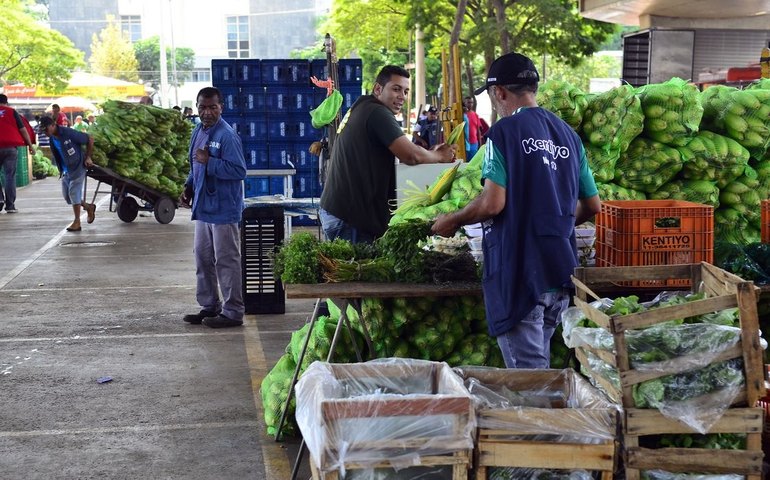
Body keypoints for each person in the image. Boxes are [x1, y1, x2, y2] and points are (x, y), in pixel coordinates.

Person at [432, 52, 602, 369]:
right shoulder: (570, 136)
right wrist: (557, 224)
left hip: (520, 273)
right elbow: (593, 205)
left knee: (530, 382)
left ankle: (545, 419)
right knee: (541, 369)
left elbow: (492, 202)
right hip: (559, 270)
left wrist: (451, 220)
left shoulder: (504, 133)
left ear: (499, 92)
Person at [319, 65, 457, 243]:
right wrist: (440, 156)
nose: (402, 97)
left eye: (406, 91)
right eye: (396, 89)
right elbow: (410, 155)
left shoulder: (363, 106)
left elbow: (406, 150)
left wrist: (430, 153)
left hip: (339, 211)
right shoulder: (377, 112)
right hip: (349, 217)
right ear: (378, 89)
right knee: (362, 270)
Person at [178, 87, 247, 329]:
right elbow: (194, 165)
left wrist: (212, 162)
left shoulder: (227, 135)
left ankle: (233, 312)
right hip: (203, 207)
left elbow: (239, 171)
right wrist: (188, 186)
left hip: (223, 209)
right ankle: (209, 306)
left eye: (212, 107)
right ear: (197, 107)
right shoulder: (198, 130)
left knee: (226, 260)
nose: (206, 112)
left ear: (221, 108)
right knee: (203, 257)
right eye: (202, 107)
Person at [38, 115, 96, 231]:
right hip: (66, 170)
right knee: (68, 197)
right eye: (43, 130)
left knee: (74, 193)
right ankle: (89, 207)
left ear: (53, 125)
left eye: (46, 129)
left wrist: (88, 157)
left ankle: (77, 222)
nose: (45, 132)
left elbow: (89, 139)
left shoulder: (68, 133)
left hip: (78, 166)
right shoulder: (52, 139)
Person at [0, 94, 36, 213]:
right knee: (9, 176)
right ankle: (10, 206)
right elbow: (23, 129)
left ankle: (0, 199)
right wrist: (30, 146)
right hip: (11, 148)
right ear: (6, 102)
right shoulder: (12, 112)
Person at [463, 96, 481, 160]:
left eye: (472, 102)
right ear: (464, 103)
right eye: (468, 102)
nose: (470, 104)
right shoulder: (462, 115)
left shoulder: (475, 115)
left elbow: (478, 131)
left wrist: (480, 144)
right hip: (464, 144)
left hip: (474, 143)